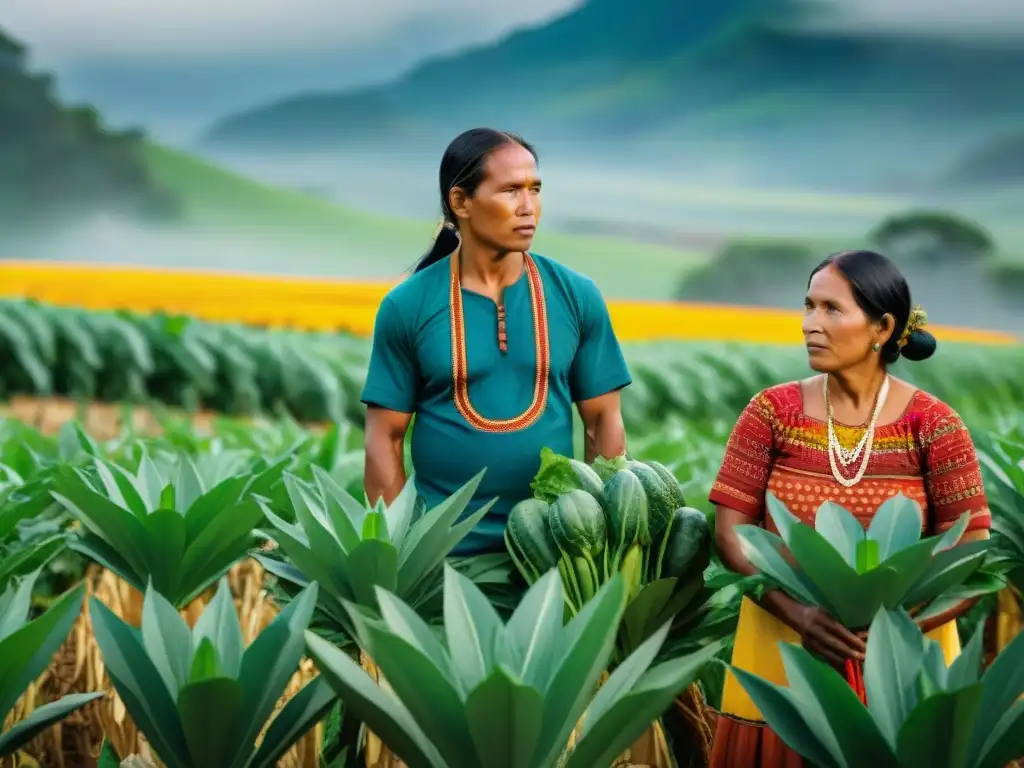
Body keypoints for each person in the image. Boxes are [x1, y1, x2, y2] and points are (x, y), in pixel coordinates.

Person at [708, 249, 992, 767]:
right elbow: (731, 533)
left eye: (831, 309)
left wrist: (892, 634)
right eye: (808, 306)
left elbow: (970, 550)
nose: (810, 324)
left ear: (882, 327)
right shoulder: (770, 412)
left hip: (906, 662)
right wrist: (800, 616)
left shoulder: (935, 424)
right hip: (782, 649)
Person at [360, 127, 631, 560]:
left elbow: (603, 424)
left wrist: (597, 549)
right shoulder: (408, 305)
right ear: (460, 202)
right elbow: (383, 440)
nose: (529, 208)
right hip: (443, 557)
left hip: (555, 553)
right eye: (510, 191)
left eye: (535, 189)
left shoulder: (576, 296)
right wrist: (401, 556)